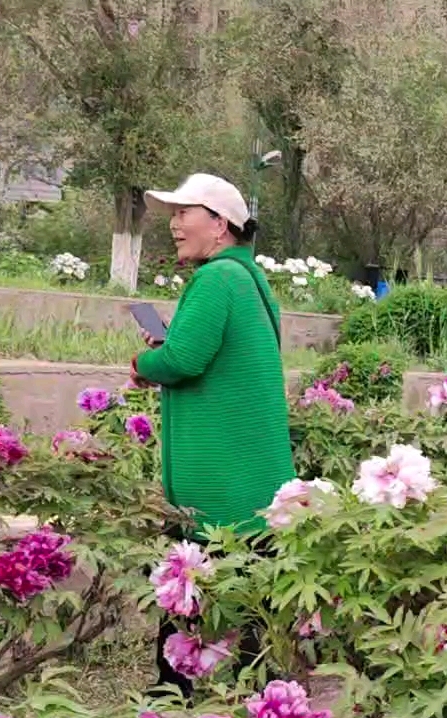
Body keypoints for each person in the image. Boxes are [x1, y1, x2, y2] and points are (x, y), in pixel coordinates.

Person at [132, 173, 295, 688]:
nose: (175, 225)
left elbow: (184, 358)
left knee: (190, 610)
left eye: (185, 213)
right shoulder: (246, 278)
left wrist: (144, 360)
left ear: (220, 224)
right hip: (251, 491)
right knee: (250, 623)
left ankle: (173, 712)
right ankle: (259, 709)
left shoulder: (217, 279)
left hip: (219, 500)